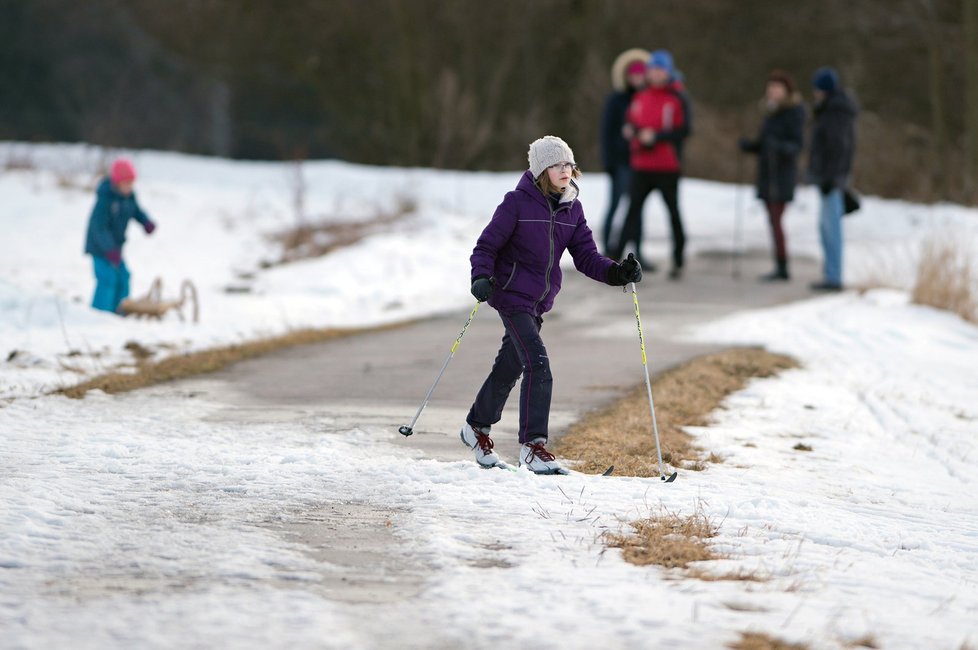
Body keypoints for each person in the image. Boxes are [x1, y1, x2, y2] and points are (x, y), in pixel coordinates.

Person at [463, 136, 642, 474]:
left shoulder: (571, 208)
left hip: (538, 301)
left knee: (510, 366)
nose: (566, 170)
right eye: (558, 165)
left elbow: (587, 257)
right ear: (542, 170)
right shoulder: (516, 203)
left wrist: (618, 273)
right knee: (538, 365)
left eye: (569, 164)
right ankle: (533, 446)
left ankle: (475, 426)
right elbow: (485, 246)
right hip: (510, 294)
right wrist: (480, 276)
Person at [614, 49, 691, 280]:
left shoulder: (676, 97)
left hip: (667, 166)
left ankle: (678, 259)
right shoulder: (641, 96)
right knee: (631, 212)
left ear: (668, 72)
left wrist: (656, 137)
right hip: (641, 164)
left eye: (661, 70)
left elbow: (683, 130)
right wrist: (633, 132)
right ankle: (614, 258)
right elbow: (630, 121)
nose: (656, 74)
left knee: (673, 212)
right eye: (653, 70)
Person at [739, 70, 806, 281]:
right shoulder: (770, 111)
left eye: (777, 87)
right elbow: (764, 143)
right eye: (771, 87)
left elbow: (796, 145)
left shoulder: (795, 112)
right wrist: (751, 146)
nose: (773, 91)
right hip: (768, 173)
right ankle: (780, 264)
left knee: (776, 219)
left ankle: (783, 266)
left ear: (786, 91)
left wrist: (777, 147)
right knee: (772, 219)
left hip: (782, 175)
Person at [807, 66, 858, 291]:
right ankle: (830, 274)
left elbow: (839, 148)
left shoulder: (835, 112)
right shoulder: (830, 109)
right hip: (829, 178)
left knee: (831, 229)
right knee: (825, 228)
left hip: (832, 180)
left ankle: (834, 277)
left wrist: (832, 178)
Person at [84, 158, 157, 313]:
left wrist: (146, 223)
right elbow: (99, 228)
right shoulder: (105, 199)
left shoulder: (129, 197)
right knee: (108, 278)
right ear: (117, 183)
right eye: (126, 183)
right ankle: (100, 312)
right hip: (100, 248)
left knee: (124, 277)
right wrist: (109, 250)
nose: (130, 187)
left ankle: (121, 310)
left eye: (132, 183)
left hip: (115, 248)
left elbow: (136, 211)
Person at [599, 48, 648, 255]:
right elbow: (606, 133)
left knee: (637, 210)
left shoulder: (647, 100)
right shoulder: (616, 100)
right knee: (615, 206)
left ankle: (637, 252)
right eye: (633, 74)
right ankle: (607, 250)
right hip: (621, 163)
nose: (637, 78)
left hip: (641, 162)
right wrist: (609, 163)